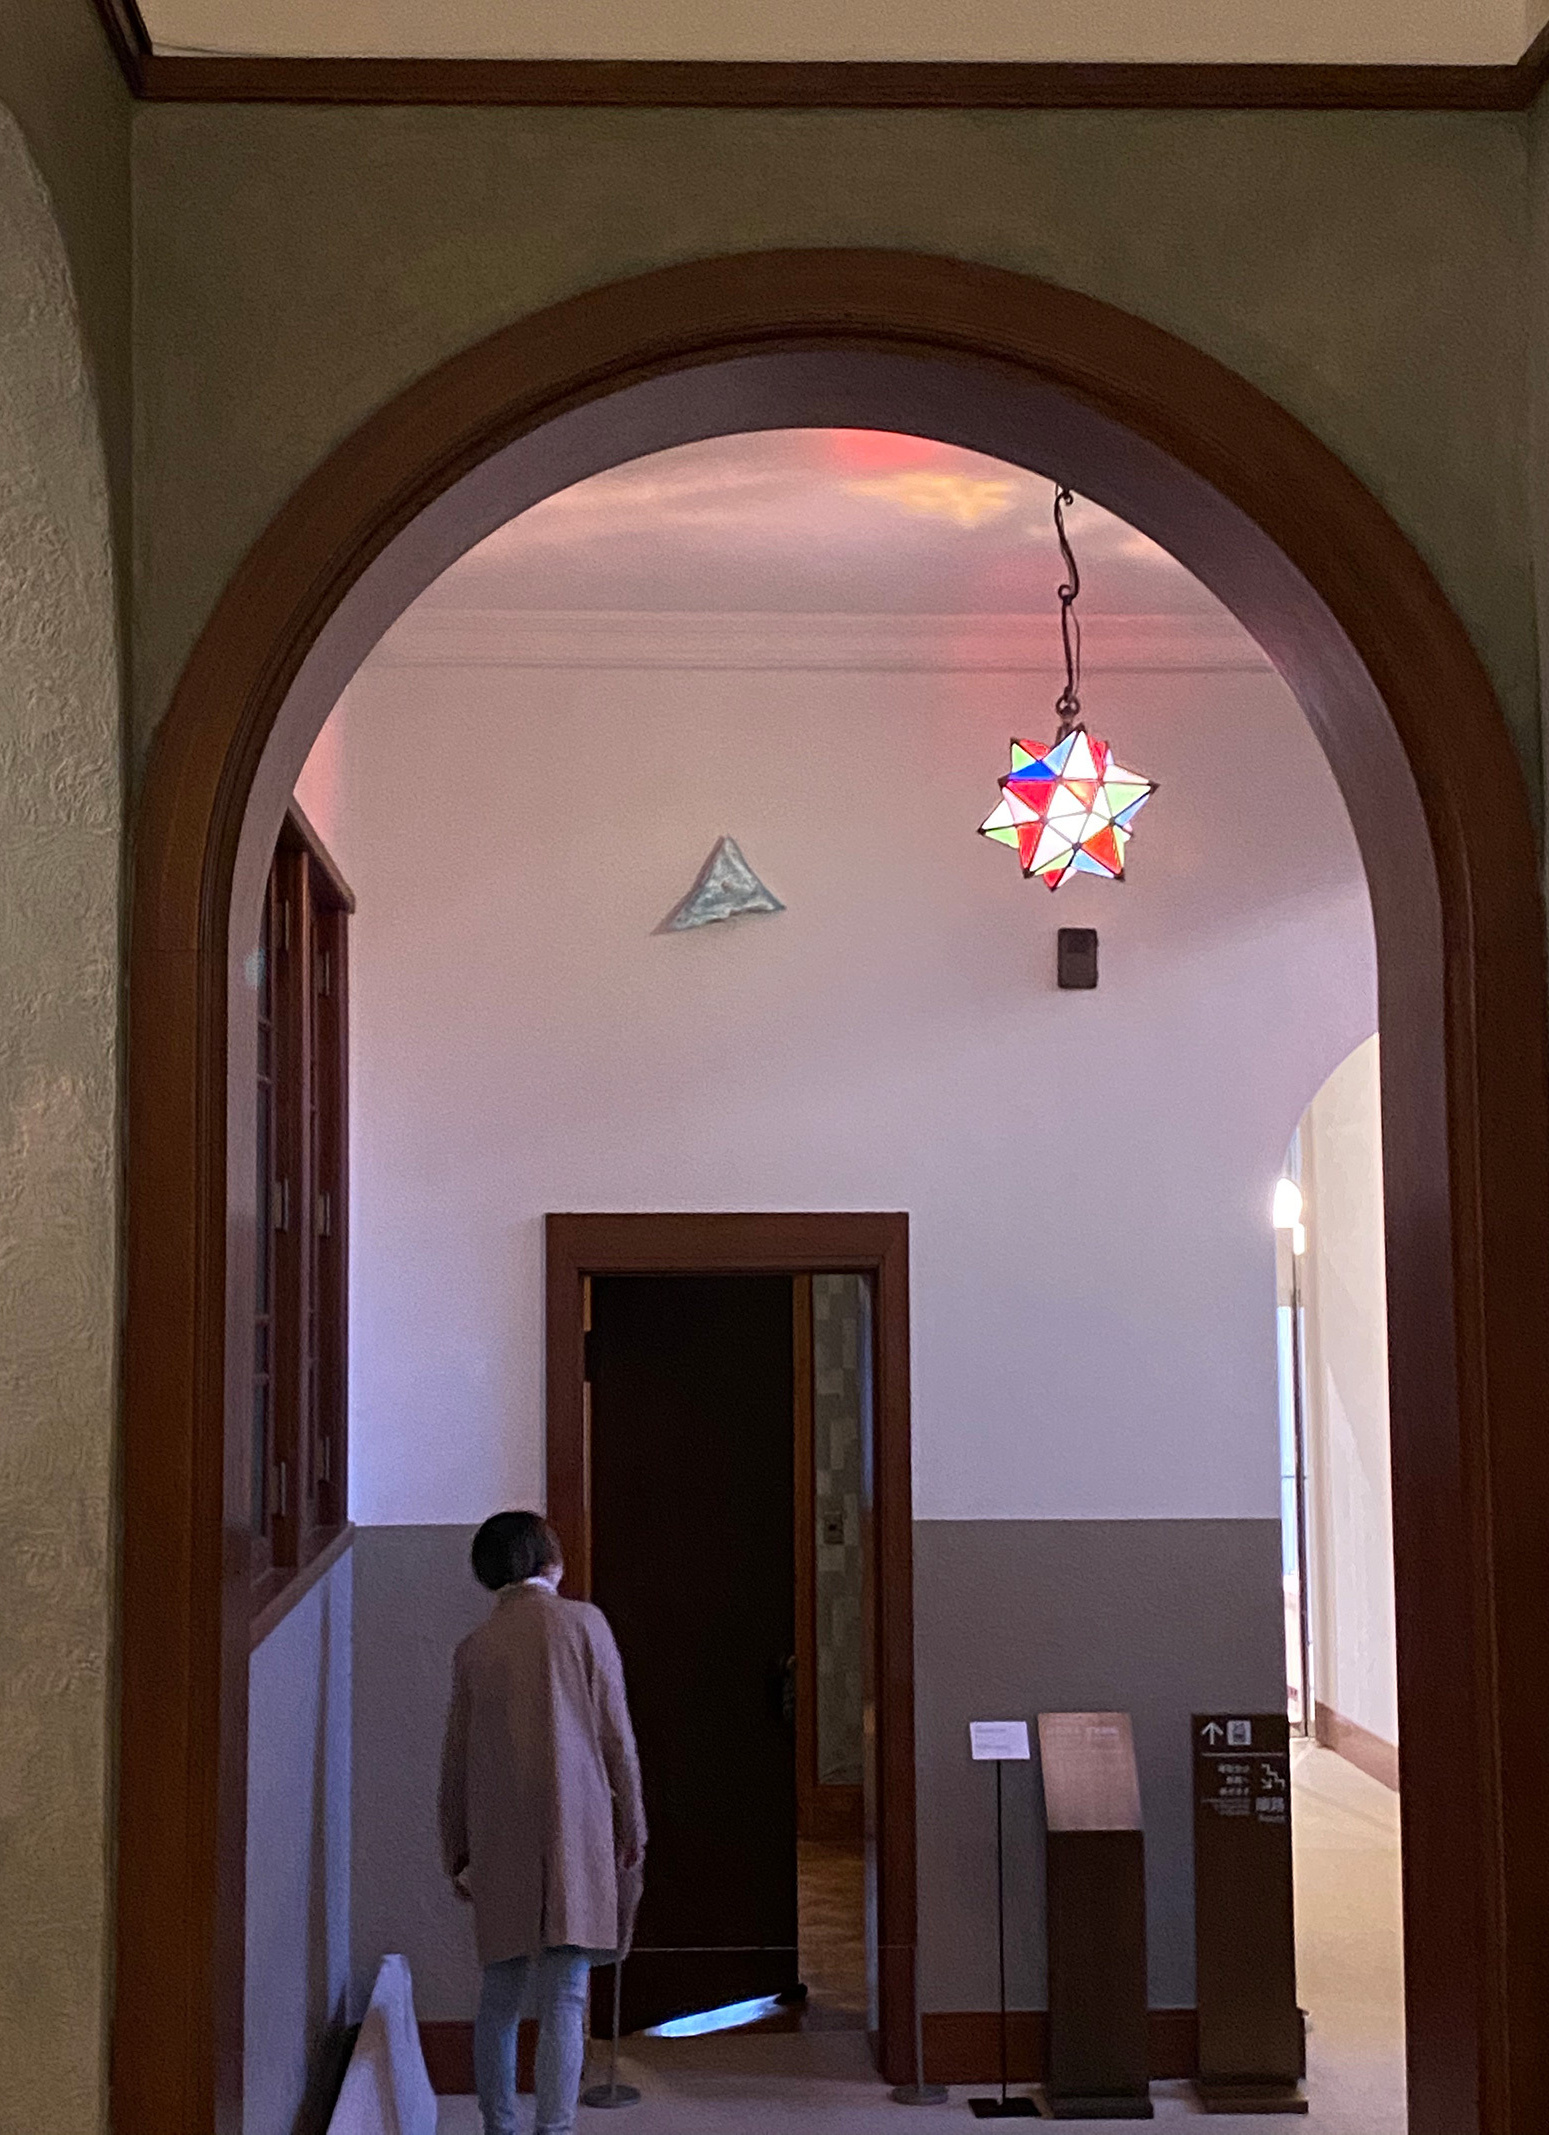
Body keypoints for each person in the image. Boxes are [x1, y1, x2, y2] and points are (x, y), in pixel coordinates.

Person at [438, 1510, 646, 2135]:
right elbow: (616, 1737)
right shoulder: (585, 1625)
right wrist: (632, 1822)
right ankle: (554, 2128)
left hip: (500, 1834)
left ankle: (498, 2125)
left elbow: (456, 1759)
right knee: (566, 1995)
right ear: (547, 1560)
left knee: (500, 1995)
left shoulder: (474, 1648)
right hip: (577, 1831)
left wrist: (456, 1847)